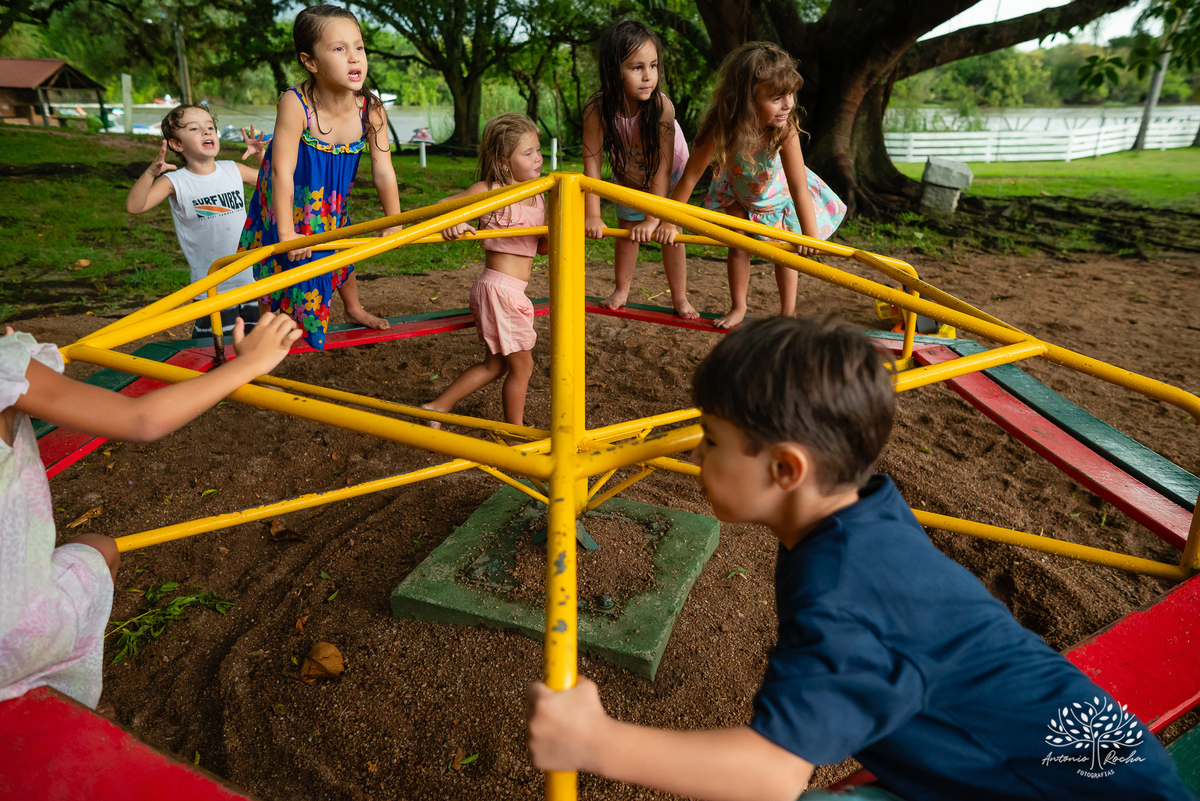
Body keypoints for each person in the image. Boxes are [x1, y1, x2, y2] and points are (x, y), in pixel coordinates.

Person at [527, 316, 1194, 801]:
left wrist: (596, 743)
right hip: (1096, 767)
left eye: (712, 439)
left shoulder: (844, 590)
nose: (697, 455)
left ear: (787, 467)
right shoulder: (866, 511)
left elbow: (771, 775)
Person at [0, 313, 302, 710]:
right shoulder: (5, 367)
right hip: (14, 634)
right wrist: (249, 362)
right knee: (99, 548)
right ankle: (66, 699)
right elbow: (142, 419)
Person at [239, 3, 402, 350]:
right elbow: (282, 170)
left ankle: (354, 308)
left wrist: (395, 218)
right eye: (339, 49)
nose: (354, 57)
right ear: (310, 62)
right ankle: (260, 338)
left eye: (358, 47)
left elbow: (383, 170)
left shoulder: (370, 110)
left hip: (331, 200)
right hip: (287, 200)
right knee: (282, 264)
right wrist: (286, 231)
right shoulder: (296, 103)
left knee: (338, 246)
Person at [655, 43, 846, 330]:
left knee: (785, 251)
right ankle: (739, 306)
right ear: (747, 98)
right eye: (777, 97)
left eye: (791, 94)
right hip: (738, 194)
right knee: (738, 240)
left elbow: (797, 185)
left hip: (778, 197)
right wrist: (670, 222)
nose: (789, 104)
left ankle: (788, 313)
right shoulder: (722, 126)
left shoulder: (785, 130)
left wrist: (810, 237)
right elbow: (691, 177)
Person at [422, 113, 545, 430]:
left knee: (495, 366)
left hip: (510, 291)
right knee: (523, 367)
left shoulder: (538, 195)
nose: (538, 158)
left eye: (538, 150)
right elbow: (440, 207)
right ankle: (514, 433)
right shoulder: (491, 190)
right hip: (500, 290)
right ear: (504, 162)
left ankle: (437, 407)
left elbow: (540, 248)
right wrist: (455, 221)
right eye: (528, 152)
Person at [582, 19, 697, 319]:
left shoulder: (661, 107)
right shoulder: (597, 107)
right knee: (627, 231)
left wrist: (654, 217)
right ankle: (622, 289)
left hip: (668, 175)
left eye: (654, 66)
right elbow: (591, 162)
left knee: (670, 234)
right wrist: (592, 214)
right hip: (629, 172)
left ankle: (680, 297)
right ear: (613, 70)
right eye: (637, 68)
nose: (648, 77)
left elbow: (662, 166)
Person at [125, 104, 267, 339]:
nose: (207, 132)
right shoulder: (175, 181)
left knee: (256, 339)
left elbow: (273, 182)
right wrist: (150, 174)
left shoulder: (233, 169)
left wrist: (261, 155)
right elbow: (134, 206)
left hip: (250, 276)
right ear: (177, 144)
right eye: (194, 128)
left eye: (210, 127)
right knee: (215, 347)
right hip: (211, 286)